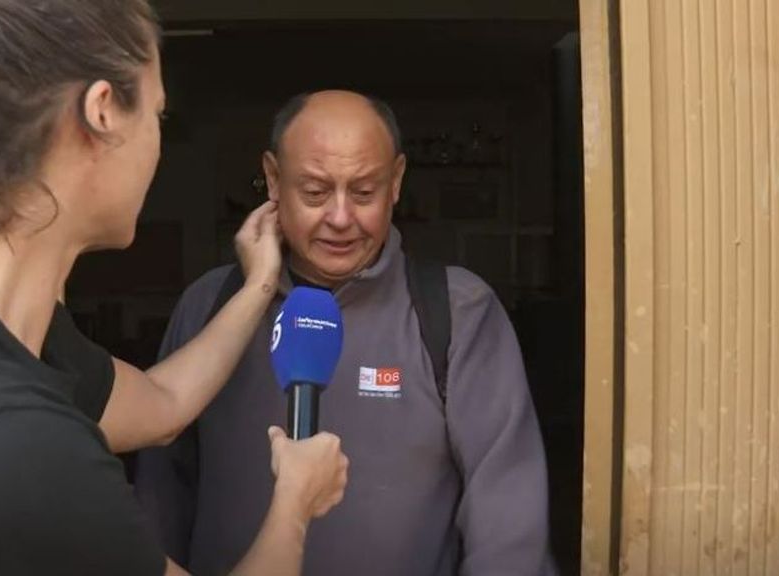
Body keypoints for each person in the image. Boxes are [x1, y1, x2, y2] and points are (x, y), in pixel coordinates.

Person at [0, 2, 348, 575]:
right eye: (157, 115)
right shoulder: (11, 442)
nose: (159, 144)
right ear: (102, 112)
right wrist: (296, 504)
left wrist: (259, 284)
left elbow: (164, 405)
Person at [136, 90, 555, 575]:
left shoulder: (458, 313)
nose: (340, 218)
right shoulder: (209, 307)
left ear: (396, 181)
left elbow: (509, 522)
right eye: (314, 192)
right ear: (273, 179)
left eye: (363, 192)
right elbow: (161, 499)